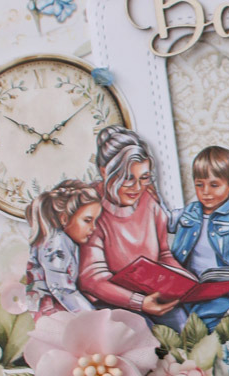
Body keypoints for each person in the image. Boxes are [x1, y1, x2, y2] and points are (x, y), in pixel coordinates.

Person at [78, 127, 188, 326]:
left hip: (150, 294)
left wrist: (189, 283)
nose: (137, 188)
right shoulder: (90, 208)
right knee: (143, 329)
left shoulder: (149, 201)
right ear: (105, 172)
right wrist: (140, 303)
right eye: (128, 178)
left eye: (144, 178)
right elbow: (92, 279)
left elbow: (164, 255)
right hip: (110, 300)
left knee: (183, 323)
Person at [170, 146, 229, 329]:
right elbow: (161, 220)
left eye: (214, 185)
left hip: (222, 295)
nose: (205, 191)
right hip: (186, 291)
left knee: (204, 327)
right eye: (199, 184)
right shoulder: (189, 212)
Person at [25, 180, 102, 318]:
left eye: (95, 221)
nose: (93, 227)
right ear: (64, 219)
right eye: (87, 220)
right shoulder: (55, 243)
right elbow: (62, 289)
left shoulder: (65, 241)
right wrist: (93, 316)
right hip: (46, 312)